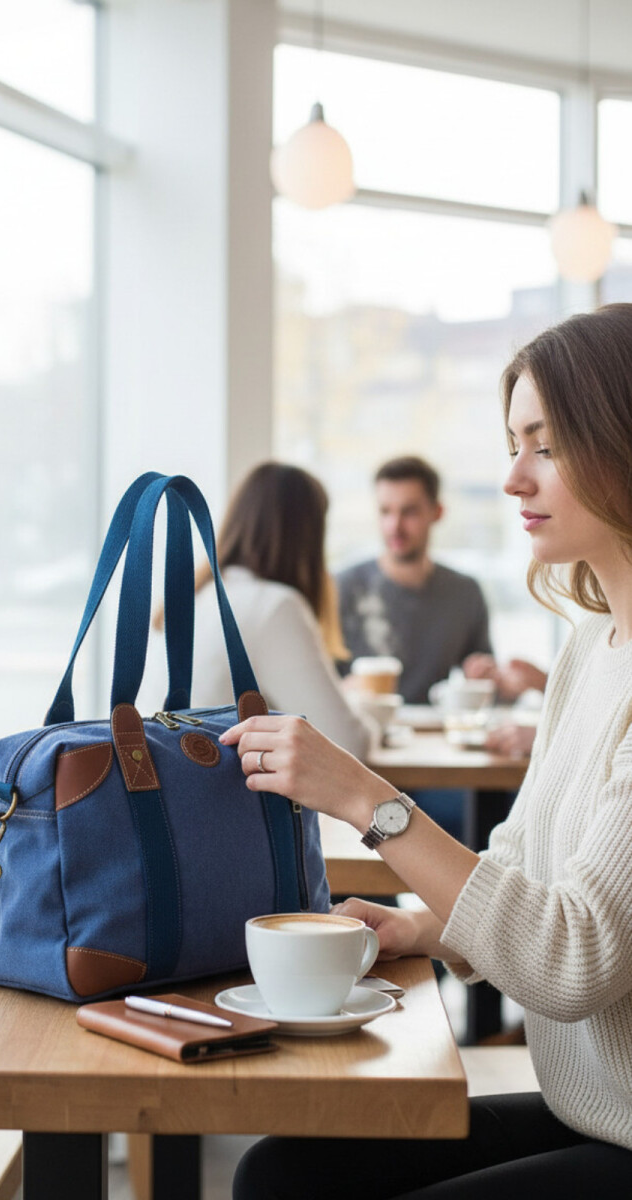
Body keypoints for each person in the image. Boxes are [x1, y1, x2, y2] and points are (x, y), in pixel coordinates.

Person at [224, 304, 632, 1197]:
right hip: (592, 1110)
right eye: (513, 445)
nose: (513, 479)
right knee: (279, 1175)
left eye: (547, 446)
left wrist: (367, 800)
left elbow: (574, 958)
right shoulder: (589, 650)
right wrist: (419, 926)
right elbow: (518, 864)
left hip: (622, 1130)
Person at [142, 462, 376, 760]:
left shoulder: (195, 595)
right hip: (213, 786)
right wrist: (372, 712)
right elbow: (347, 745)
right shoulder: (275, 606)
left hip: (164, 780)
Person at [337, 455, 493, 705]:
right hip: (359, 726)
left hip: (433, 728)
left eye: (408, 512)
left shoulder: (465, 593)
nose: (394, 526)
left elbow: (484, 682)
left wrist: (484, 675)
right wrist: (341, 690)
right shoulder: (340, 589)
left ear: (437, 512)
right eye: (385, 511)